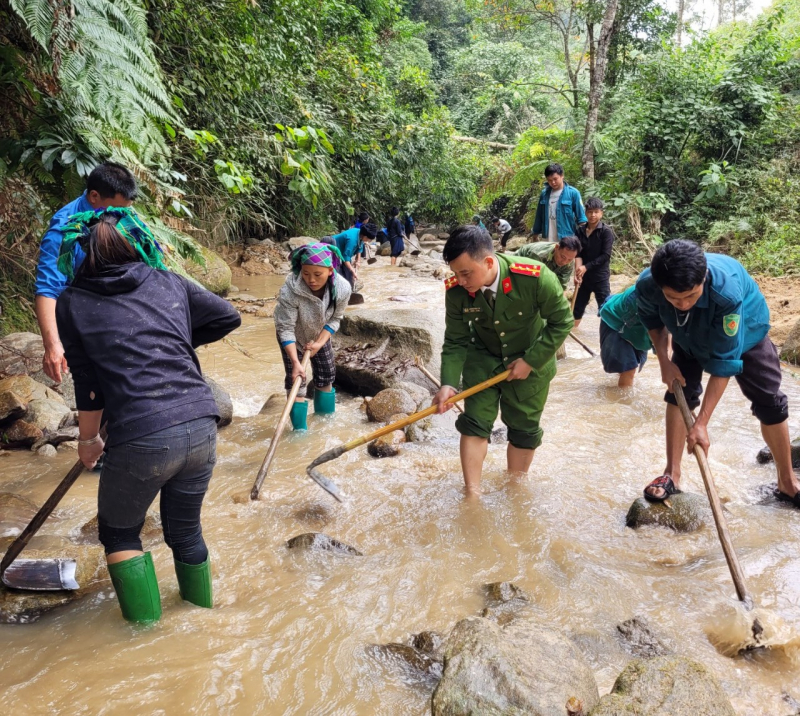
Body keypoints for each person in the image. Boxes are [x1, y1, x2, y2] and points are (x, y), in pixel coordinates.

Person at [55, 207, 241, 623]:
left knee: (120, 534)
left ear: (79, 256)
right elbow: (229, 316)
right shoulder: (168, 281)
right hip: (201, 424)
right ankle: (201, 622)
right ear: (137, 245)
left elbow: (87, 382)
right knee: (185, 532)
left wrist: (88, 442)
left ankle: (147, 639)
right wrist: (167, 338)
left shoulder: (72, 303)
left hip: (144, 436)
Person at [636, 240, 800, 507]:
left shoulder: (727, 292)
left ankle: (787, 482)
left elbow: (724, 362)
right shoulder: (647, 285)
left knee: (769, 401)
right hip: (687, 335)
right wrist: (665, 361)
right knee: (679, 395)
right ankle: (672, 475)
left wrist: (701, 424)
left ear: (704, 278)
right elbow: (653, 322)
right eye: (673, 298)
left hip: (746, 334)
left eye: (691, 295)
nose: (683, 304)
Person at [433, 225, 573, 497]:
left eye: (465, 273)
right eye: (455, 273)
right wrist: (448, 383)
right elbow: (456, 340)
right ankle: (471, 494)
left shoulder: (534, 277)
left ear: (488, 261)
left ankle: (514, 489)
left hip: (530, 359)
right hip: (482, 360)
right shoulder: (457, 290)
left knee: (524, 429)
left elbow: (561, 321)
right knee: (474, 423)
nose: (460, 280)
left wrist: (531, 361)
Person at [36, 162, 138, 383]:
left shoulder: (120, 215)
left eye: (126, 210)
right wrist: (52, 346)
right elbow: (48, 289)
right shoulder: (63, 230)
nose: (123, 216)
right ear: (94, 196)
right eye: (117, 210)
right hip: (79, 312)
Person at [274, 243, 351, 430]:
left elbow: (335, 319)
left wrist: (319, 342)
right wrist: (295, 361)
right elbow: (285, 328)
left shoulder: (342, 288)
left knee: (326, 375)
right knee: (296, 381)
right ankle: (299, 431)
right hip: (292, 336)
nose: (311, 280)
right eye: (306, 273)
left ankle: (325, 422)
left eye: (318, 275)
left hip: (319, 334)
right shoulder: (290, 289)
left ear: (330, 271)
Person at [598, 285, 652, 387]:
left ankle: (621, 387)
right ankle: (623, 401)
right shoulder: (647, 293)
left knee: (630, 365)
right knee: (628, 368)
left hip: (635, 323)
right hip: (616, 319)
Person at [573, 197, 614, 329]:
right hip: (584, 277)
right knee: (577, 308)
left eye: (596, 212)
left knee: (605, 308)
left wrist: (586, 267)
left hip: (600, 277)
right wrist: (578, 271)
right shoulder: (579, 231)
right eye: (590, 212)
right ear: (585, 213)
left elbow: (605, 256)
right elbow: (577, 253)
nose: (593, 215)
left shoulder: (606, 232)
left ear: (601, 213)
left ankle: (608, 335)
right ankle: (570, 333)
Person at [530, 163, 586, 244]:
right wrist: (535, 233)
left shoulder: (573, 193)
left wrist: (582, 239)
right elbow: (539, 216)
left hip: (567, 239)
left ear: (562, 176)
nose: (553, 182)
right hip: (547, 239)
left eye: (555, 179)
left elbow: (581, 218)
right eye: (549, 180)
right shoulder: (544, 194)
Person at [515, 236, 581, 290]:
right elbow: (530, 280)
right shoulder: (539, 255)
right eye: (562, 257)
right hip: (518, 263)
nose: (564, 262)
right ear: (556, 247)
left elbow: (561, 286)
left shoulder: (569, 264)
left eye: (569, 259)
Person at [331, 222, 377, 287]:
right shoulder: (352, 240)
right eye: (369, 239)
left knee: (349, 276)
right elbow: (346, 258)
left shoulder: (359, 232)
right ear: (365, 236)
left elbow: (360, 247)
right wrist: (352, 270)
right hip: (332, 249)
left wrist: (358, 261)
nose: (369, 241)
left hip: (342, 252)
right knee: (340, 276)